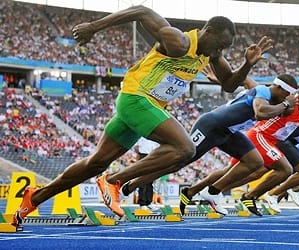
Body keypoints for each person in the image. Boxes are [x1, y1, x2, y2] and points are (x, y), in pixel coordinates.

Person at [13, 5, 273, 224]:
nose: (220, 52)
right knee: (184, 148)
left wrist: (247, 64)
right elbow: (141, 10)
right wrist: (94, 27)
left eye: (225, 49)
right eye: (220, 45)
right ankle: (114, 180)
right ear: (209, 31)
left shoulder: (210, 57)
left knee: (95, 163)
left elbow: (228, 84)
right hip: (135, 98)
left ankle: (34, 198)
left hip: (148, 107)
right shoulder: (179, 41)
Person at [120, 70, 298, 214]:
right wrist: (284, 105)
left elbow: (244, 79)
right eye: (288, 96)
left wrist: (220, 79)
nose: (287, 101)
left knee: (255, 161)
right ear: (282, 90)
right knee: (176, 163)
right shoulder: (264, 92)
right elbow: (260, 113)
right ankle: (131, 184)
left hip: (228, 132)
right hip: (211, 126)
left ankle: (213, 192)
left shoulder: (262, 90)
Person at [182, 91, 299, 215]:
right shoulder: (292, 104)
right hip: (261, 136)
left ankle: (192, 191)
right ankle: (235, 194)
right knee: (285, 169)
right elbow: (269, 97)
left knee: (235, 171)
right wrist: (286, 102)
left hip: (271, 141)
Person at [134, 137, 160, 212]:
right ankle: (142, 203)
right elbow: (136, 147)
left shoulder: (156, 135)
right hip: (143, 155)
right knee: (142, 180)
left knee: (150, 180)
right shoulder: (142, 134)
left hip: (153, 155)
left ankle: (149, 202)